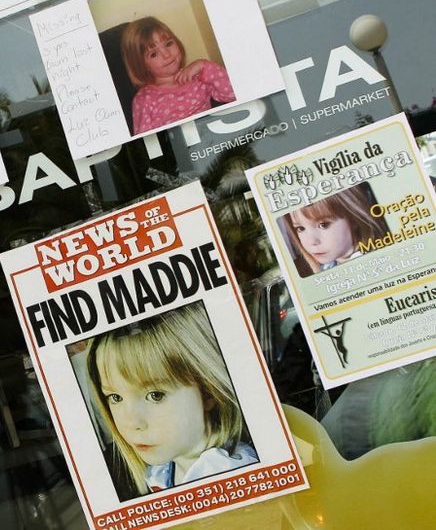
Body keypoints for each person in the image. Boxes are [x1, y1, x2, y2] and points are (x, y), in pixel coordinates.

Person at [86, 302, 257, 495]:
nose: (132, 423)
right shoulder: (163, 469)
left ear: (208, 392)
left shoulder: (231, 474)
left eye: (155, 395)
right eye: (116, 397)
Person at [120, 17, 236, 135]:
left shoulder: (198, 76)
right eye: (154, 54)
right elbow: (147, 140)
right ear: (140, 65)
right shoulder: (144, 99)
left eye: (168, 44)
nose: (167, 54)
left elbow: (232, 94)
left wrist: (204, 65)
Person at [283, 184, 388, 275]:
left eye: (324, 225)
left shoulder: (373, 263)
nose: (311, 241)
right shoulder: (329, 265)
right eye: (301, 228)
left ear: (353, 220)